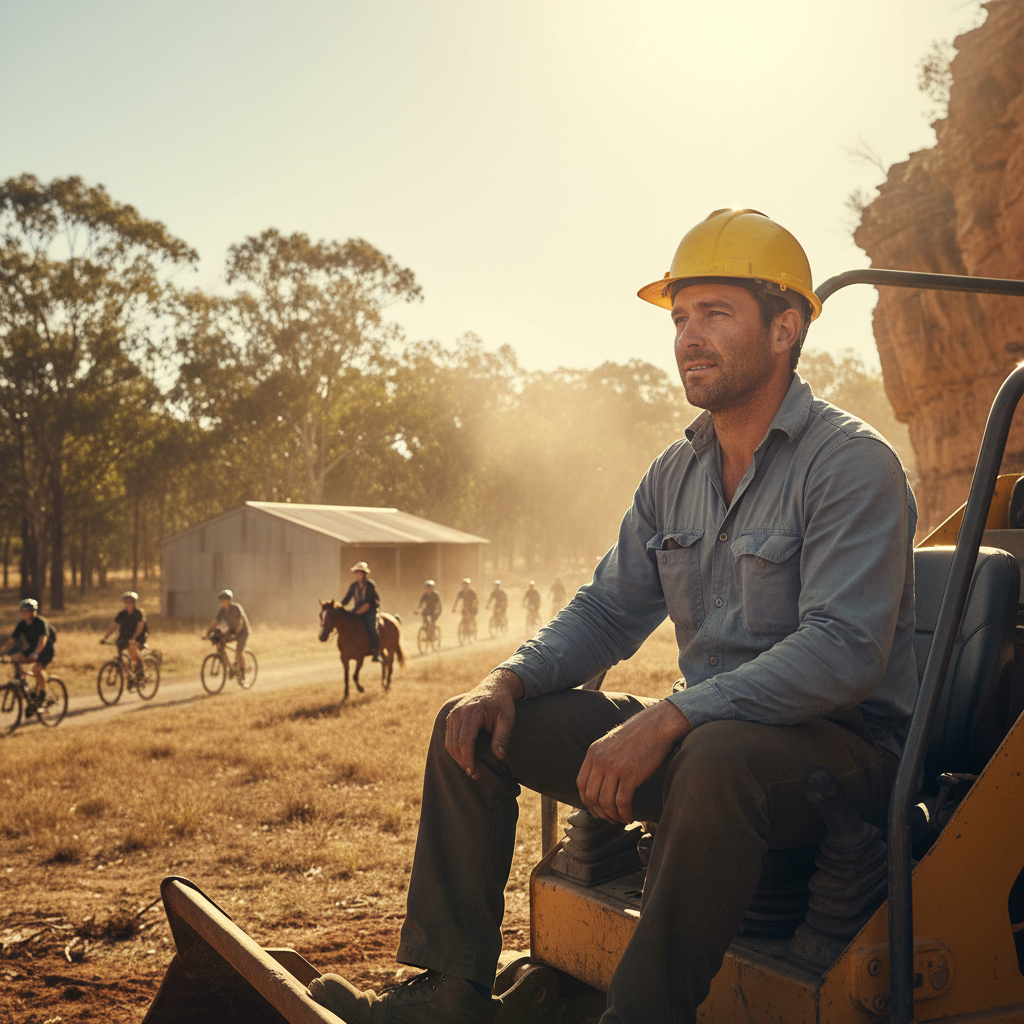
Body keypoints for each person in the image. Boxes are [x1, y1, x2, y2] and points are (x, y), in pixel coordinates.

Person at [307, 208, 918, 1024]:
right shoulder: (674, 471)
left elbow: (843, 652)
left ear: (786, 329)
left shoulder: (851, 464)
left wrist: (671, 717)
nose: (688, 339)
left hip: (842, 756)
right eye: (680, 319)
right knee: (471, 724)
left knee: (717, 757)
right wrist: (507, 678)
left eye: (715, 314)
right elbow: (607, 608)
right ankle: (450, 991)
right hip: (707, 740)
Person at [0, 598, 54, 706]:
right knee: (15, 658)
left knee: (36, 669)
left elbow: (42, 639)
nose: (24, 613)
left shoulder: (41, 622)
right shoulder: (22, 624)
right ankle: (24, 686)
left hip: (45, 650)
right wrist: (1, 653)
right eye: (22, 610)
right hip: (33, 649)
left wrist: (36, 653)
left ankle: (43, 693)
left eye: (27, 610)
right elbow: (12, 641)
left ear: (33, 611)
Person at [101, 591, 148, 681]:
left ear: (134, 603)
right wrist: (105, 637)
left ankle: (141, 671)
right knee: (120, 651)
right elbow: (114, 626)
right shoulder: (122, 614)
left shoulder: (138, 613)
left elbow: (140, 627)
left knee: (132, 649)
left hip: (139, 636)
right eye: (127, 602)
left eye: (131, 602)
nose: (129, 604)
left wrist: (134, 638)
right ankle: (130, 673)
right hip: (125, 636)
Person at [341, 562, 381, 663]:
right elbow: (347, 599)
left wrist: (362, 610)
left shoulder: (370, 585)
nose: (358, 576)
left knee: (371, 627)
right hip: (357, 610)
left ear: (364, 575)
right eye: (357, 573)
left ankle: (376, 651)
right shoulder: (353, 586)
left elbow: (372, 601)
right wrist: (339, 606)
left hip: (370, 610)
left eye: (360, 574)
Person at [206, 589, 250, 678]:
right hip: (232, 631)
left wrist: (236, 632)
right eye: (222, 600)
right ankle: (230, 668)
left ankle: (243, 669)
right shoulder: (222, 611)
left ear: (229, 600)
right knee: (221, 645)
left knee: (239, 652)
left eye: (225, 600)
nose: (223, 602)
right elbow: (216, 622)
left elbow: (240, 621)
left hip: (242, 632)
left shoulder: (236, 608)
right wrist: (208, 632)